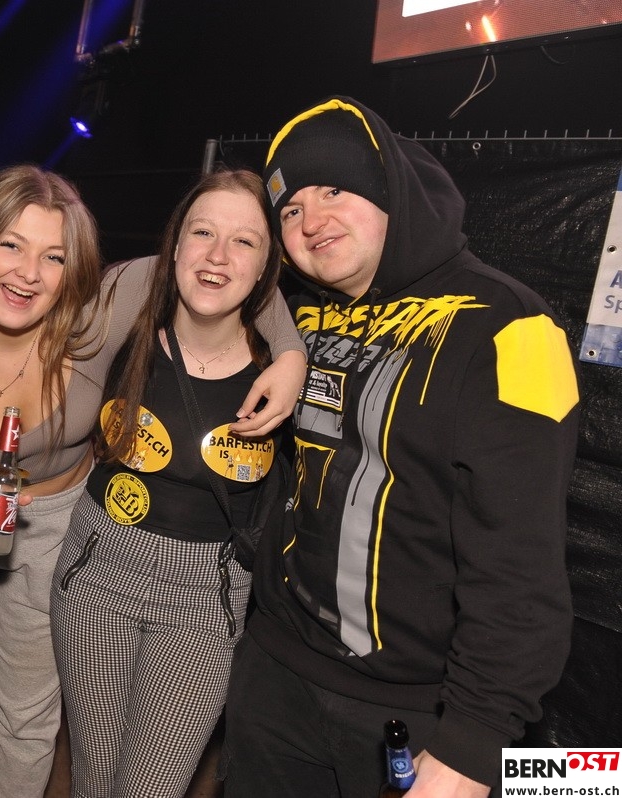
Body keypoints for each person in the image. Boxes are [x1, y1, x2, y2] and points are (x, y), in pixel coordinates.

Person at [0, 164, 306, 797]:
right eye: (10, 244)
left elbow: (216, 265)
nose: (28, 273)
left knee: (29, 718)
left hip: (57, 527)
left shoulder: (92, 325)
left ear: (74, 269)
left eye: (53, 256)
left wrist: (292, 354)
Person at [222, 97, 580, 797]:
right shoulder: (300, 316)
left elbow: (521, 561)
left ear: (391, 192)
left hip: (415, 709)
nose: (310, 221)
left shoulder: (510, 326)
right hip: (275, 672)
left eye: (334, 190)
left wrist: (474, 741)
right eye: (290, 210)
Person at [49, 169, 292, 798]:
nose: (218, 255)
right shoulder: (117, 329)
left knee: (152, 788)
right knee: (94, 779)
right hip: (99, 569)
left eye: (244, 241)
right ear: (176, 245)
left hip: (204, 596)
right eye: (203, 232)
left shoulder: (285, 370)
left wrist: (293, 354)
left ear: (267, 266)